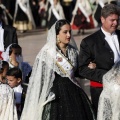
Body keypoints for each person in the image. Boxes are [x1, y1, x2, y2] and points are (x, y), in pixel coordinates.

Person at [20, 19, 96, 120]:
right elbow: (41, 78)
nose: (69, 35)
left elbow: (77, 72)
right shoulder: (47, 53)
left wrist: (88, 67)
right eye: (65, 32)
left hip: (74, 92)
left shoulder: (73, 51)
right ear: (56, 34)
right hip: (56, 95)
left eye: (70, 32)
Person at [79, 3, 120, 117]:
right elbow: (83, 69)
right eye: (112, 20)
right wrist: (111, 77)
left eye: (117, 20)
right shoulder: (89, 42)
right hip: (102, 91)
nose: (115, 23)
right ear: (102, 19)